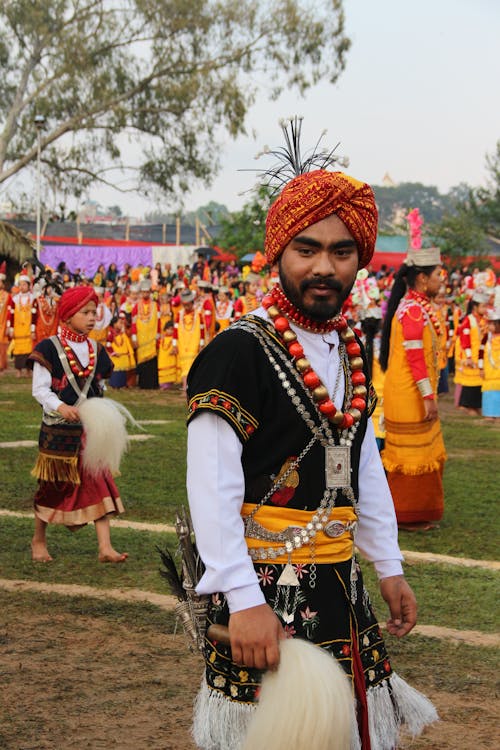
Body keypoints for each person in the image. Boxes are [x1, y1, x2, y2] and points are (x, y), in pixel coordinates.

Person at [186, 133, 437, 750]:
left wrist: (390, 566)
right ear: (279, 252)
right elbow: (211, 482)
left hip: (342, 588)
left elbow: (364, 464)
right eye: (307, 248)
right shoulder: (237, 352)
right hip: (262, 592)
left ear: (361, 258)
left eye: (341, 250)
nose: (324, 266)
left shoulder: (353, 350)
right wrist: (242, 599)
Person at [28, 286, 128, 563]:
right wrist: (61, 406)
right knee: (51, 486)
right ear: (69, 315)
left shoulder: (96, 349)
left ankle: (105, 547)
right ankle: (38, 539)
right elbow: (40, 390)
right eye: (85, 312)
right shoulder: (48, 348)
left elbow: (98, 385)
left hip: (90, 431)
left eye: (94, 312)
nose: (92, 317)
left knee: (99, 480)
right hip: (58, 430)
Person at [379, 247, 447, 531]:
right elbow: (416, 360)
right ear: (421, 278)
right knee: (412, 457)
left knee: (424, 452)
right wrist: (428, 396)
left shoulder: (415, 308)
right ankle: (406, 515)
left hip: (412, 393)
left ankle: (416, 512)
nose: (441, 281)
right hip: (410, 396)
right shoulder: (413, 312)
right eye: (438, 275)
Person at [454, 290, 490, 416]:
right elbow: (465, 340)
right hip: (470, 356)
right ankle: (468, 407)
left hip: (481, 356)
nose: (485, 309)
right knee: (470, 383)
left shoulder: (484, 320)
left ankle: (476, 406)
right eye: (483, 306)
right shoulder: (468, 320)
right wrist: (468, 356)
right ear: (475, 307)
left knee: (479, 382)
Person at [130, 279, 160, 389]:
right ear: (140, 293)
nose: (145, 294)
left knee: (152, 360)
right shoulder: (136, 307)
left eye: (147, 292)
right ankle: (142, 384)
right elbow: (133, 323)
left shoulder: (156, 305)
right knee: (142, 360)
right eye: (143, 292)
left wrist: (158, 335)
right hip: (141, 337)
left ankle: (152, 384)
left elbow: (159, 320)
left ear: (150, 292)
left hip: (152, 337)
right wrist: (134, 337)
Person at [7, 273, 35, 378]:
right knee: (18, 351)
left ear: (28, 286)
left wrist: (33, 329)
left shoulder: (33, 298)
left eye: (24, 285)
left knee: (29, 351)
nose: (22, 287)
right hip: (18, 329)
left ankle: (28, 371)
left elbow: (34, 315)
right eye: (20, 285)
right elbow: (11, 315)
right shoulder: (14, 299)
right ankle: (18, 371)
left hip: (28, 329)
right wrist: (10, 328)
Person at [481, 307, 500, 421]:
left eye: (492, 324)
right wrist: (480, 368)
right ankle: (488, 414)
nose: (489, 326)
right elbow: (480, 353)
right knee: (489, 394)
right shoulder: (486, 338)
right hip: (488, 373)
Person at [0, 263, 12, 373]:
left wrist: (8, 324)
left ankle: (2, 366)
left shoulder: (7, 296)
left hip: (3, 324)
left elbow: (9, 310)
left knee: (2, 346)